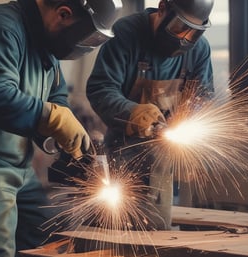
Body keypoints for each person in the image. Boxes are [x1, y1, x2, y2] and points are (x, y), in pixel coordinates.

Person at [0, 0, 122, 256]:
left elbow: (56, 95)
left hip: (17, 165)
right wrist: (51, 117)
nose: (83, 45)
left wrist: (60, 131)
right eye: (86, 36)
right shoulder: (0, 29)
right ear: (63, 14)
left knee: (41, 233)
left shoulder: (44, 39)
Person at [86, 0, 214, 230]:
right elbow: (101, 88)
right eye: (179, 27)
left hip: (165, 157)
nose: (184, 39)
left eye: (193, 33)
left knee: (157, 228)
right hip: (123, 153)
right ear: (163, 8)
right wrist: (132, 111)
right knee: (116, 229)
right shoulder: (127, 33)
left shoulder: (200, 50)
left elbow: (202, 99)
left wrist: (188, 124)